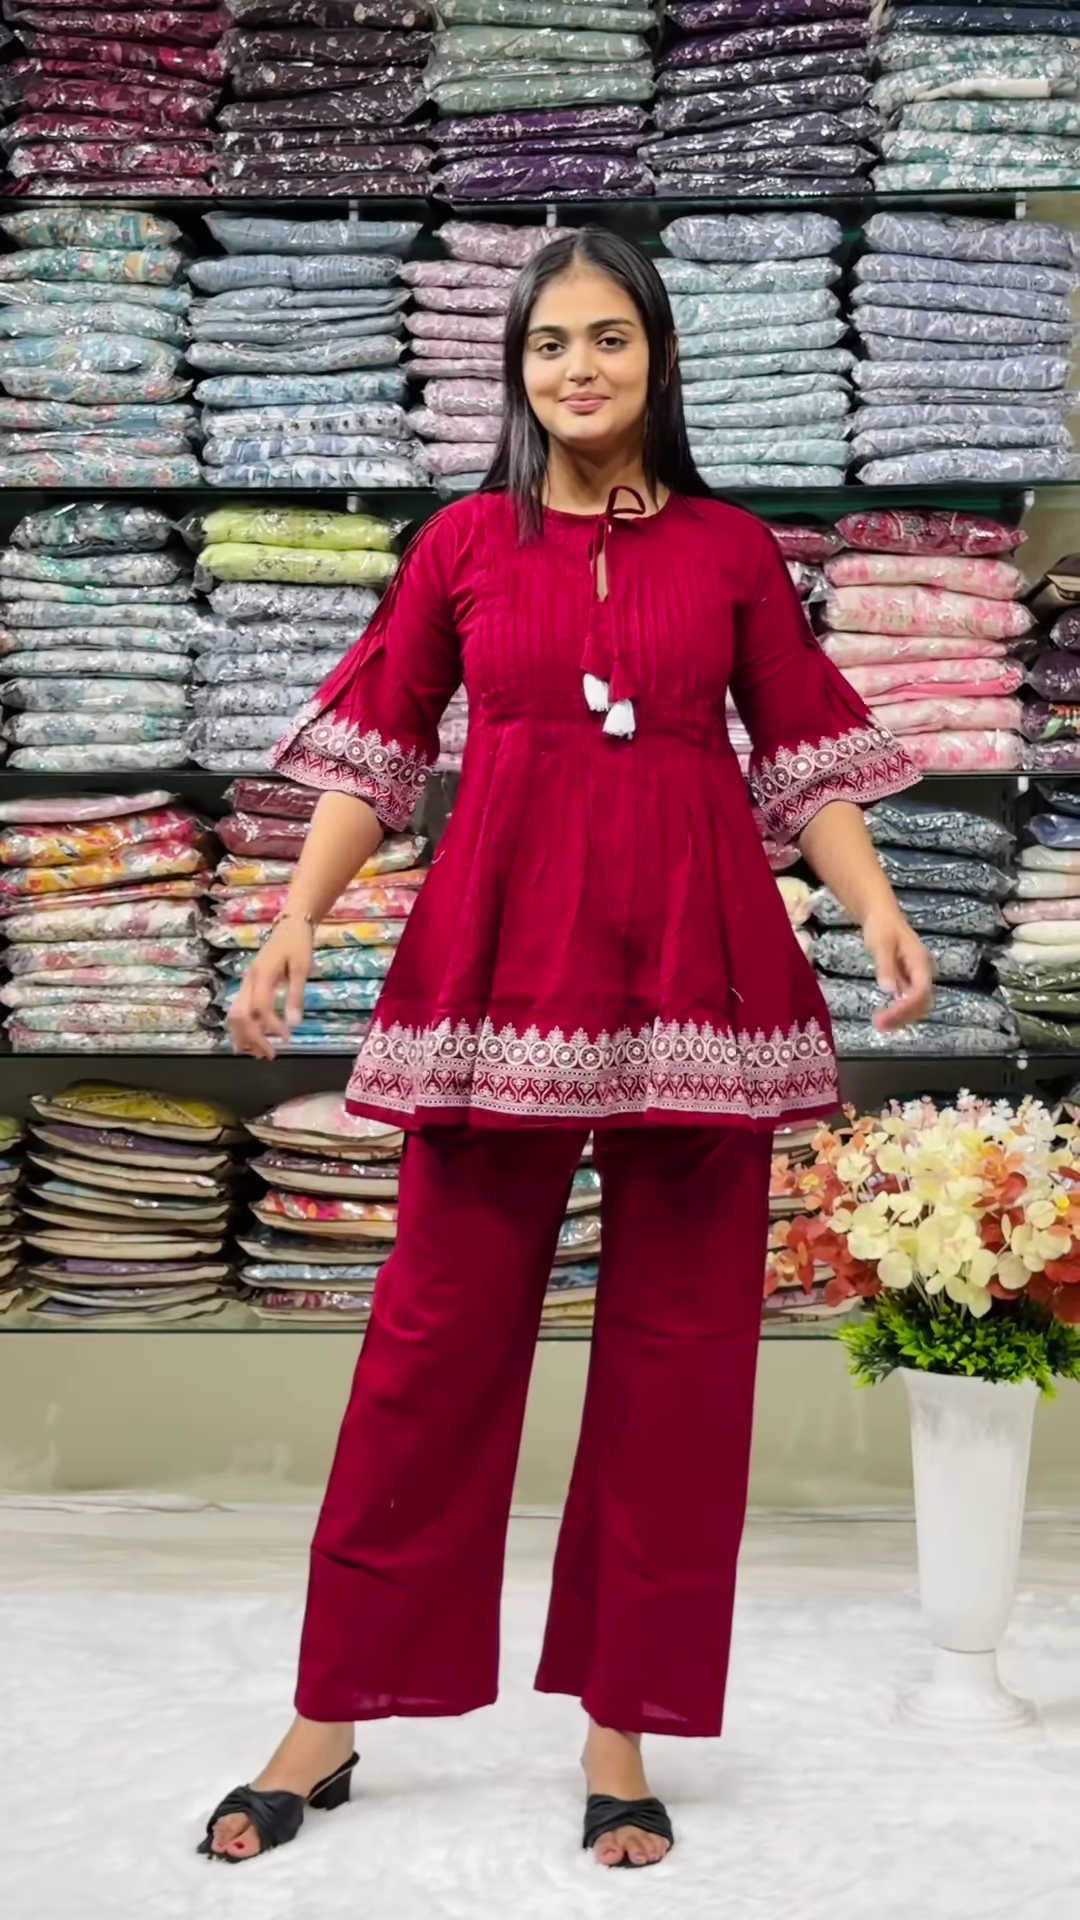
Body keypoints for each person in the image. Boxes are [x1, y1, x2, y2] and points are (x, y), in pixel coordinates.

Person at [200, 228, 932, 1871]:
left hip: (704, 978)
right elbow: (380, 738)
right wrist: (299, 915)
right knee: (431, 1345)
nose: (578, 369)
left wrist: (876, 909)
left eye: (608, 339)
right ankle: (332, 1713)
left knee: (680, 1364)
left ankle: (623, 1721)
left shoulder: (736, 551)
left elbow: (804, 745)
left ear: (655, 357)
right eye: (549, 345)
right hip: (496, 970)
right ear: (515, 367)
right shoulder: (462, 542)